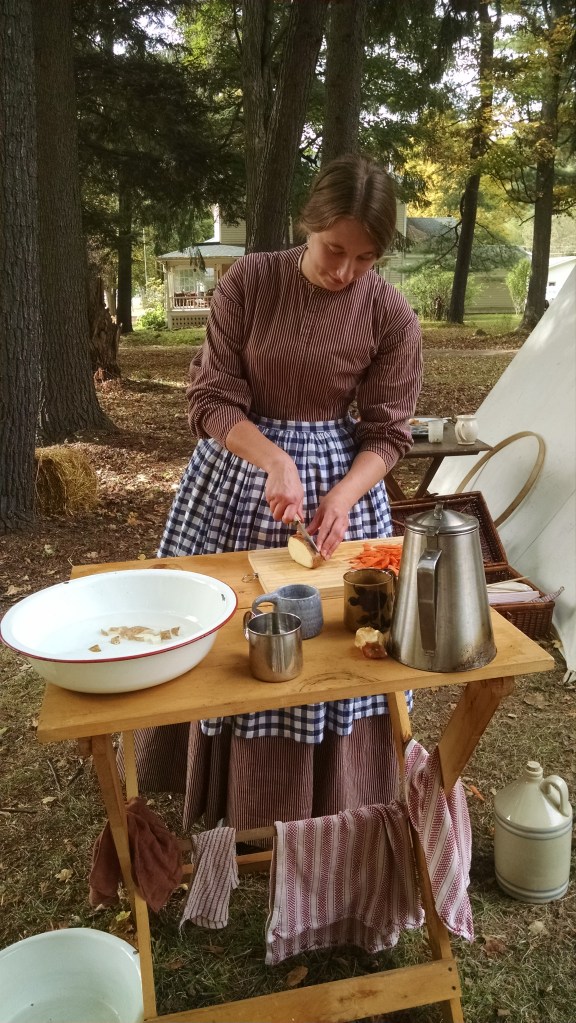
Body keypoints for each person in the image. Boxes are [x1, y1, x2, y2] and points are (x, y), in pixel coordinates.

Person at [128, 154, 423, 834]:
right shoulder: (251, 283)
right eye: (334, 249)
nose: (345, 270)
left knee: (328, 649)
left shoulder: (390, 315)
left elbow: (388, 432)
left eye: (366, 258)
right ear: (308, 224)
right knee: (232, 639)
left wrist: (346, 494)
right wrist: (273, 460)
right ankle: (226, 799)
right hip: (238, 474)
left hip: (336, 489)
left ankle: (327, 810)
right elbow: (210, 398)